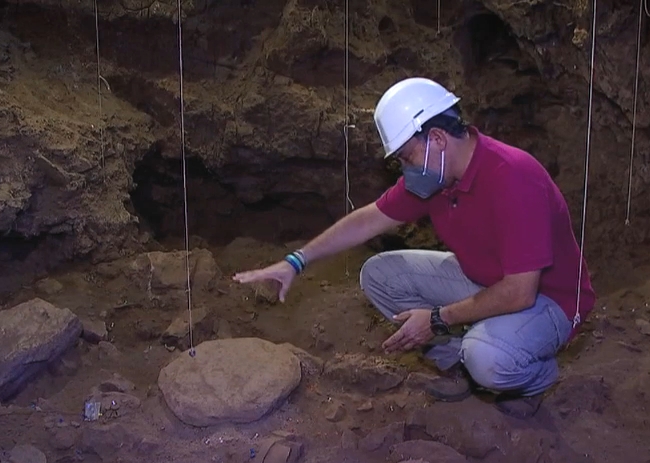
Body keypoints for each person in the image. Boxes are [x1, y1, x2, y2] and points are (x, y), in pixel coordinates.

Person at [233, 77, 595, 419]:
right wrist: (296, 261)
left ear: (437, 138)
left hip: (550, 301)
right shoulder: (436, 178)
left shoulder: (513, 176)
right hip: (486, 280)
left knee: (488, 357)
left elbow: (519, 293)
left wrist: (437, 319)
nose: (405, 170)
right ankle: (460, 366)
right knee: (380, 275)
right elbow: (368, 220)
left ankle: (534, 379)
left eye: (406, 157)